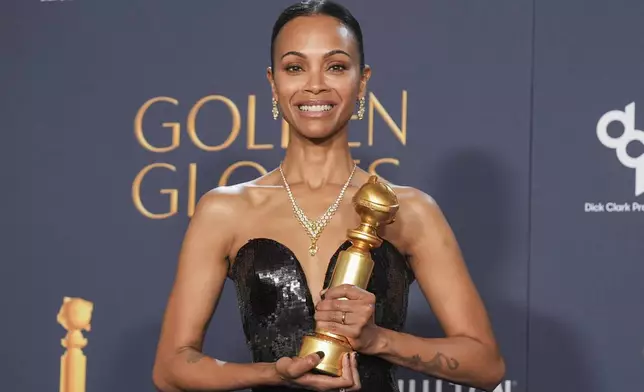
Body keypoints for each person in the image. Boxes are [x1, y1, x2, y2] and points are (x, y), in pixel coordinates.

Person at [152, 1, 505, 391]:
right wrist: (273, 373)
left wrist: (378, 340)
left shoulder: (409, 210)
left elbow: (486, 365)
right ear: (273, 82)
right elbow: (171, 369)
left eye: (335, 66)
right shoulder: (224, 210)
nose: (315, 84)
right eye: (295, 67)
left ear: (363, 80)